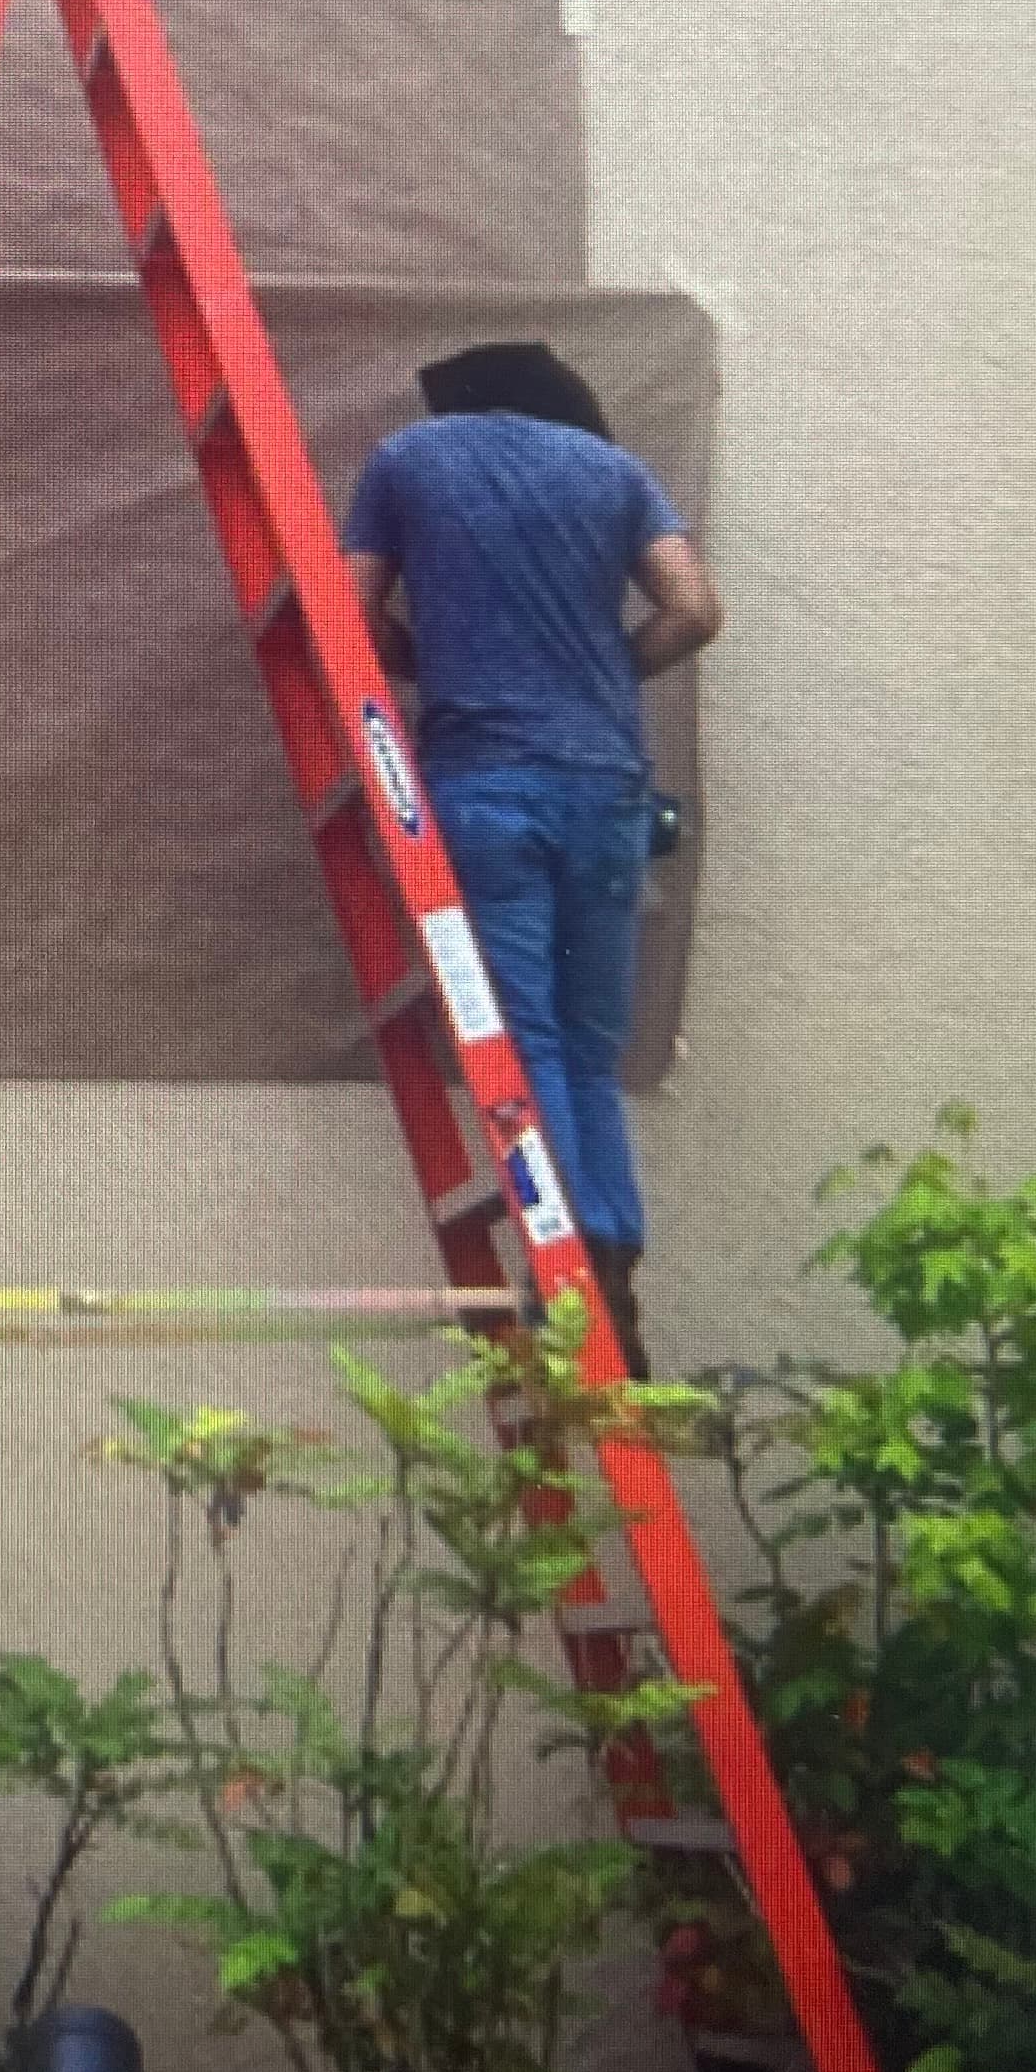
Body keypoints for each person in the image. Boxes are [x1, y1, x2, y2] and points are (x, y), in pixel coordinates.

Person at [341, 341, 722, 1374]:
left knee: (529, 1041)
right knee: (592, 1049)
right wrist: (609, 668)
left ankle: (567, 1284)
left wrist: (426, 664)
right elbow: (694, 609)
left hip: (485, 784)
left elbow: (352, 611)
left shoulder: (408, 460)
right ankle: (614, 1281)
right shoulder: (616, 472)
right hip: (607, 787)